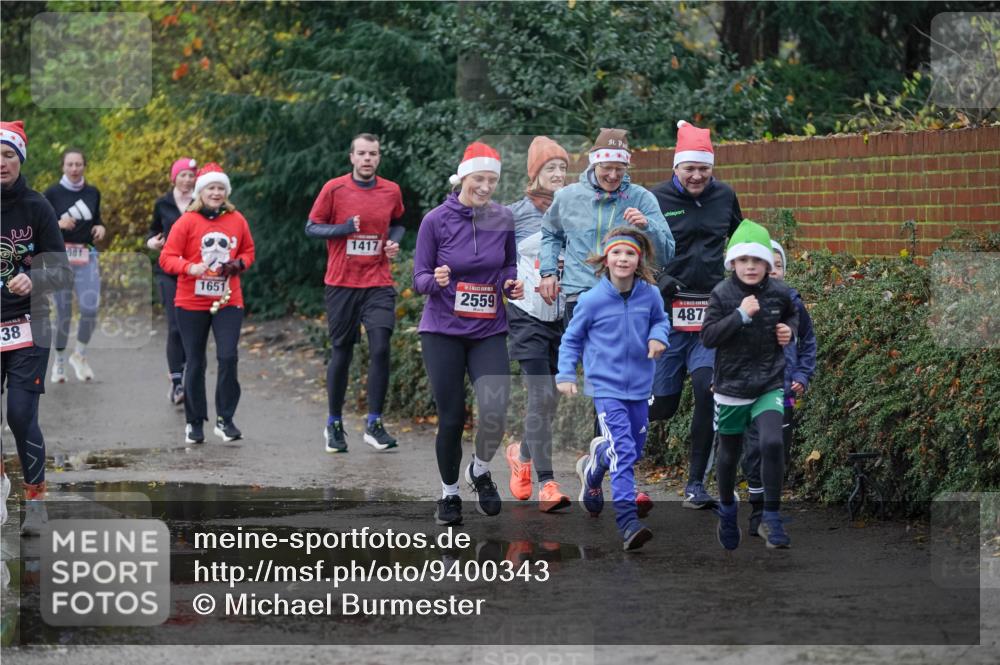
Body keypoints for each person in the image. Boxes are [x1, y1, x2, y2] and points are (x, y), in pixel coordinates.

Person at [538, 127, 673, 517]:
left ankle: (599, 468)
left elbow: (667, 251)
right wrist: (549, 271)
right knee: (606, 380)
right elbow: (550, 234)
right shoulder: (568, 197)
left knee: (622, 382)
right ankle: (616, 475)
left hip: (631, 297)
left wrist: (648, 228)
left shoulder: (641, 199)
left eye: (619, 168)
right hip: (585, 298)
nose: (613, 175)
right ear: (594, 164)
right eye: (607, 168)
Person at [413, 142, 523, 526]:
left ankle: (478, 470)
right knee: (452, 417)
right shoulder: (435, 221)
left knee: (494, 411)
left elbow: (508, 263)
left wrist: (511, 284)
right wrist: (435, 279)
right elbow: (419, 277)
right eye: (480, 178)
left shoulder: (503, 217)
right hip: (442, 330)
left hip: (489, 327)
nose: (486, 186)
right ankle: (449, 494)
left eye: (492, 179)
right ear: (463, 177)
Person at [650, 120, 744, 510]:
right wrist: (660, 278)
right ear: (676, 167)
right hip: (665, 315)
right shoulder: (653, 199)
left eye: (703, 168)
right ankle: (604, 441)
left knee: (708, 391)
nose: (696, 175)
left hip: (709, 313)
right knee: (661, 406)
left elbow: (741, 242)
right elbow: (631, 249)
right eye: (689, 168)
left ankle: (694, 485)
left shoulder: (725, 196)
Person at [557, 227, 669, 551]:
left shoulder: (650, 294)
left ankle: (593, 469)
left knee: (632, 448)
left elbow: (661, 321)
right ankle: (628, 522)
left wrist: (658, 336)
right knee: (623, 450)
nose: (623, 258)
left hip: (640, 386)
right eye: (617, 252)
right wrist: (566, 373)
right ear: (606, 258)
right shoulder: (592, 300)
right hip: (606, 387)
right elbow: (572, 339)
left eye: (630, 253)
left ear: (639, 259)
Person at [701, 220, 798, 550]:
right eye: (744, 260)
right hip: (731, 387)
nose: (751, 267)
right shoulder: (722, 294)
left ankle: (771, 517)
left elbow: (793, 313)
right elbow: (709, 336)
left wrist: (789, 330)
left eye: (758, 261)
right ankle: (728, 509)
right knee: (728, 455)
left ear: (768, 265)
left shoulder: (780, 292)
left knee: (772, 443)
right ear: (733, 263)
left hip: (769, 382)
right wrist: (740, 315)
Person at [305, 133, 405, 453]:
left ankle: (374, 423)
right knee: (342, 351)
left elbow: (401, 222)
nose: (367, 159)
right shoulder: (334, 189)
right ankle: (334, 423)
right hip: (342, 283)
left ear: (379, 158)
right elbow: (312, 227)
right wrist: (344, 228)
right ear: (351, 157)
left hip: (378, 281)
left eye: (372, 154)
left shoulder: (391, 190)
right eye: (361, 153)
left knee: (380, 347)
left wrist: (394, 242)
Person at [1, 120, 73, 535]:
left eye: (9, 154)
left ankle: (36, 499)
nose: (1, 163)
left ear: (20, 158)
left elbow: (61, 272)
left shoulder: (38, 207)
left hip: (30, 323)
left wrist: (35, 278)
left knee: (20, 415)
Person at [159, 163, 255, 445]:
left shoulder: (237, 219)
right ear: (201, 192)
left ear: (226, 192)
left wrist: (240, 263)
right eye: (211, 188)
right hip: (191, 301)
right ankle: (194, 422)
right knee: (196, 361)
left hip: (228, 299)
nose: (216, 193)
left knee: (228, 357)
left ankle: (225, 420)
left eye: (220, 188)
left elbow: (248, 250)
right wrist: (189, 268)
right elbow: (167, 257)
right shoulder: (187, 221)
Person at [504, 136, 571, 512]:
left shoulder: (575, 209)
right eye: (550, 168)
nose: (559, 174)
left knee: (551, 400)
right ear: (534, 174)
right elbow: (492, 258)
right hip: (526, 314)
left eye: (562, 167)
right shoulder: (513, 214)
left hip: (562, 316)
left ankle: (521, 453)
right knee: (541, 396)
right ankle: (547, 483)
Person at [742, 240, 817, 536]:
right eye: (766, 264)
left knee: (777, 450)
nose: (772, 270)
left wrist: (802, 373)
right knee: (753, 452)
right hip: (748, 392)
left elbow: (808, 342)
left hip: (783, 390)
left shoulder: (794, 304)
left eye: (778, 265)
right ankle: (757, 510)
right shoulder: (742, 302)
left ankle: (771, 511)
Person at [44, 148, 106, 383]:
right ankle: (59, 361)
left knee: (90, 308)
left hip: (86, 257)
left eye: (78, 164)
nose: (74, 169)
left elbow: (96, 218)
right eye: (69, 164)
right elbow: (40, 224)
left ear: (84, 166)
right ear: (63, 166)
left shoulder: (92, 192)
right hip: (60, 258)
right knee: (63, 315)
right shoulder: (51, 193)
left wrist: (101, 227)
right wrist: (57, 222)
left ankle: (79, 354)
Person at [148, 157, 197, 406]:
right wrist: (152, 243)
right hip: (168, 272)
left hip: (195, 272)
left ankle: (189, 375)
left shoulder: (201, 203)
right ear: (174, 177)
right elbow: (152, 231)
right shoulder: (163, 203)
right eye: (183, 175)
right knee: (175, 325)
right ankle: (176, 383)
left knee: (191, 325)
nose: (187, 179)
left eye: (191, 175)